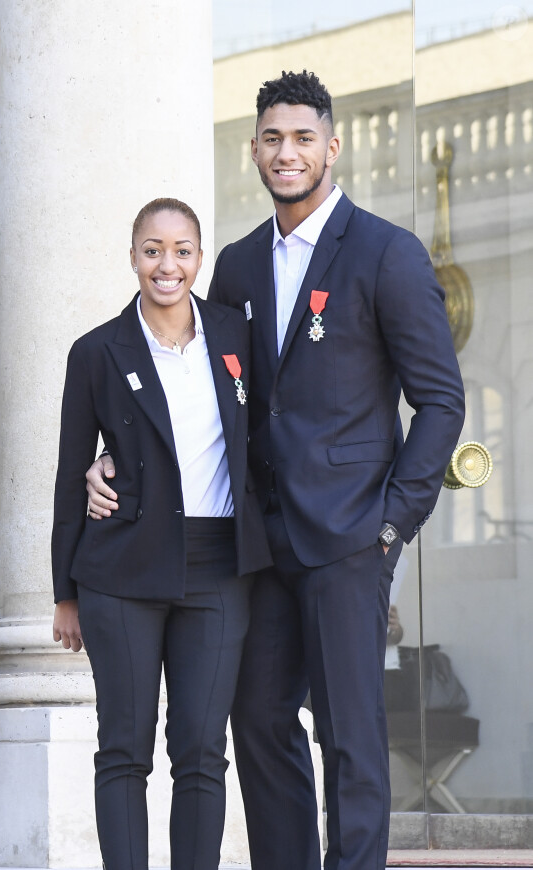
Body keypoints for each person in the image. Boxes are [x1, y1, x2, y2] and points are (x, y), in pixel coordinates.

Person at [85, 72, 465, 870]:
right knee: (257, 723)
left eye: (301, 138)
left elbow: (441, 404)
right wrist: (112, 460)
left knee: (352, 737)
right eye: (271, 138)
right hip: (256, 547)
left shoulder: (386, 253)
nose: (285, 153)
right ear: (254, 150)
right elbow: (201, 394)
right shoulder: (237, 264)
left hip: (352, 539)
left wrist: (392, 526)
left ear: (331, 146)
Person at [51, 198, 272, 870]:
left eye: (180, 250)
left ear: (200, 259)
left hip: (218, 569)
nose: (166, 264)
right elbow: (69, 473)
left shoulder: (237, 338)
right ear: (133, 258)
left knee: (203, 750)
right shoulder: (96, 352)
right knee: (124, 746)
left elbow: (266, 439)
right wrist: (64, 594)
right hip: (121, 572)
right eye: (152, 250)